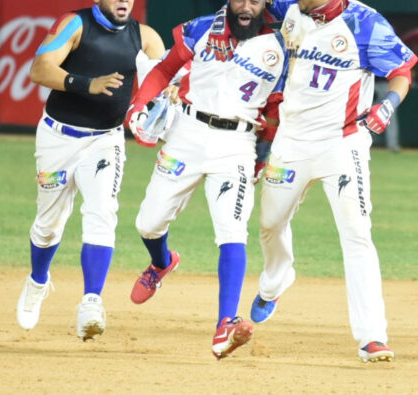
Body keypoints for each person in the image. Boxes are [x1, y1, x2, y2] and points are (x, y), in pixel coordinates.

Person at [249, 0, 417, 363]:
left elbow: (402, 70)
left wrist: (387, 104)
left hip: (343, 140)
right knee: (270, 224)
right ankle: (276, 281)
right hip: (290, 141)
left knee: (357, 232)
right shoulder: (290, 8)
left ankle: (372, 336)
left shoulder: (363, 23)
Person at [124, 0, 287, 359]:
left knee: (232, 231)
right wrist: (138, 104)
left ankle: (225, 324)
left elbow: (275, 114)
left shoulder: (280, 47)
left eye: (255, 0)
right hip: (187, 133)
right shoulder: (202, 28)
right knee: (148, 223)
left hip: (237, 143)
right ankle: (161, 262)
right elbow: (165, 69)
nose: (246, 6)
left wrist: (263, 156)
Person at [15, 0, 165, 341]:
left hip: (105, 140)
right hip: (58, 137)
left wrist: (163, 100)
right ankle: (38, 280)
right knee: (48, 224)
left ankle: (91, 302)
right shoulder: (74, 24)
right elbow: (39, 69)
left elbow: (165, 77)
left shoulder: (145, 37)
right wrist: (87, 83)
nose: (124, 1)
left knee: (102, 213)